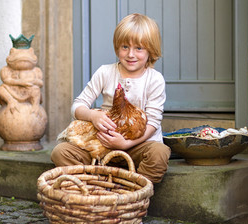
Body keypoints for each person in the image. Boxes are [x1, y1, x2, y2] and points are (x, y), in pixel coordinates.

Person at [51, 13, 171, 183]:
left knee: (160, 153)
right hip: (101, 144)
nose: (131, 54)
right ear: (116, 47)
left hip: (138, 145)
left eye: (139, 48)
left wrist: (126, 145)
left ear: (151, 50)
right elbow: (78, 105)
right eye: (124, 47)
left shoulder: (154, 79)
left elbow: (153, 122)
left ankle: (135, 190)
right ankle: (93, 188)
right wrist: (93, 115)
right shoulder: (105, 72)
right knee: (61, 152)